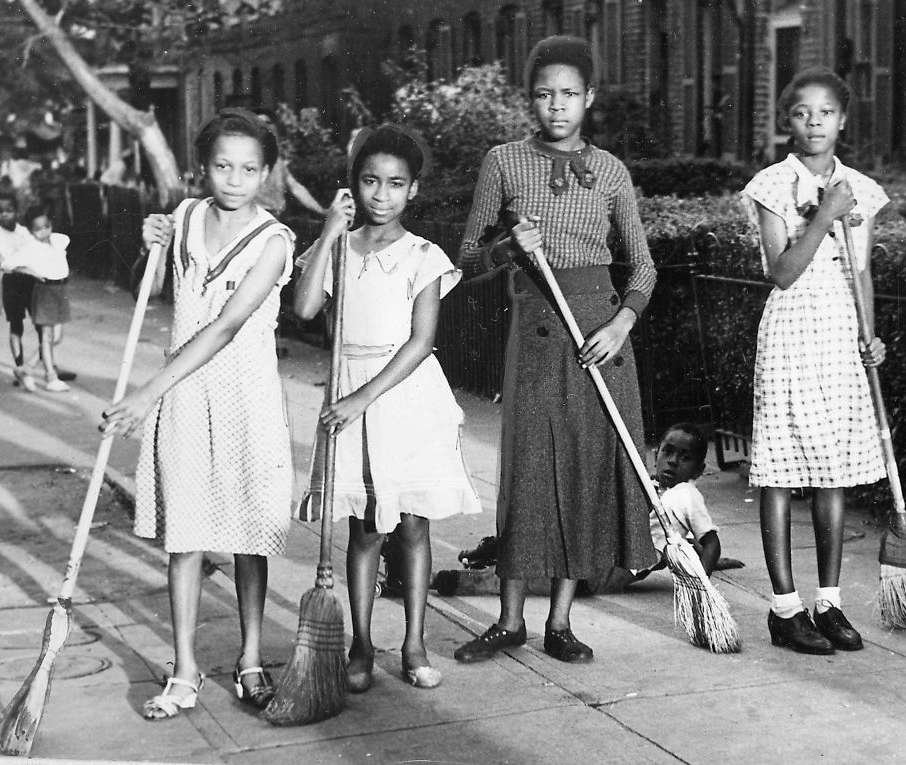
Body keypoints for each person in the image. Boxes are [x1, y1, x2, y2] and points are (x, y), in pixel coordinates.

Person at [454, 35, 657, 665]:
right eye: (544, 95)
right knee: (529, 472)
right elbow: (465, 259)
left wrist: (623, 321)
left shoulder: (613, 173)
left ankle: (560, 622)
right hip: (538, 335)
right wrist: (510, 251)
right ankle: (509, 621)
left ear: (589, 97)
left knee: (584, 472)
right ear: (530, 100)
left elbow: (644, 269)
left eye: (569, 94)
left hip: (599, 340)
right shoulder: (504, 162)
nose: (557, 107)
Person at [99, 108, 297, 719]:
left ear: (265, 174)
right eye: (221, 166)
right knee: (184, 536)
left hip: (244, 398)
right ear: (202, 168)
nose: (234, 179)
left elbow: (226, 326)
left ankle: (251, 661)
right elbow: (156, 290)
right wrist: (149, 244)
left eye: (248, 169)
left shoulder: (274, 241)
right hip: (187, 398)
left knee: (247, 536)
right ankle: (184, 671)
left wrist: (145, 392)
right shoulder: (183, 217)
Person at [293, 124, 481, 692]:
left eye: (395, 184)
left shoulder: (425, 256)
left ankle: (415, 642)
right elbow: (304, 309)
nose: (382, 194)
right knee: (365, 529)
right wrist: (328, 233)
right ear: (353, 185)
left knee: (411, 525)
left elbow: (421, 341)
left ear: (413, 191)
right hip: (348, 379)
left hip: (402, 392)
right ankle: (361, 644)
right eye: (370, 181)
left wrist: (362, 399)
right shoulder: (339, 249)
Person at [742, 66, 889, 655]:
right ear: (787, 122)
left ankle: (828, 603)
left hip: (840, 336)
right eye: (802, 114)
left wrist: (870, 337)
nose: (814, 123)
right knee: (779, 469)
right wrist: (824, 215)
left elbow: (861, 271)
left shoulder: (862, 188)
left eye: (825, 112)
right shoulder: (772, 186)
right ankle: (785, 608)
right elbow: (781, 272)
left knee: (834, 470)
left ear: (843, 119)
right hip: (791, 332)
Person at [630, 423, 721, 582]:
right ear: (656, 454)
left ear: (698, 470)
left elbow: (711, 542)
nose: (672, 461)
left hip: (623, 567)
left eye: (684, 458)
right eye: (667, 452)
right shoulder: (651, 485)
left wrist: (702, 579)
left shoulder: (685, 494)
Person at [7, 205, 72, 392]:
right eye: (37, 229)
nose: (43, 232)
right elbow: (8, 264)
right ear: (30, 231)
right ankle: (51, 377)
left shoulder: (58, 240)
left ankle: (26, 369)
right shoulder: (31, 248)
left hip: (61, 289)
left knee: (56, 336)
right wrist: (31, 271)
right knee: (47, 336)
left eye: (46, 227)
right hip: (45, 291)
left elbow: (64, 241)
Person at [0, 191, 38, 392]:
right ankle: (19, 365)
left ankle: (46, 365)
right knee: (16, 326)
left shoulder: (25, 232)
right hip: (11, 284)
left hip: (31, 282)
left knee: (43, 325)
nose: (5, 214)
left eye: (9, 210)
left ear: (17, 211)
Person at [252, 108, 328, 218]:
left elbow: (295, 187)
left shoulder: (277, 161)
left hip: (275, 218)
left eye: (268, 123)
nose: (263, 126)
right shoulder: (246, 158)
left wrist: (322, 211)